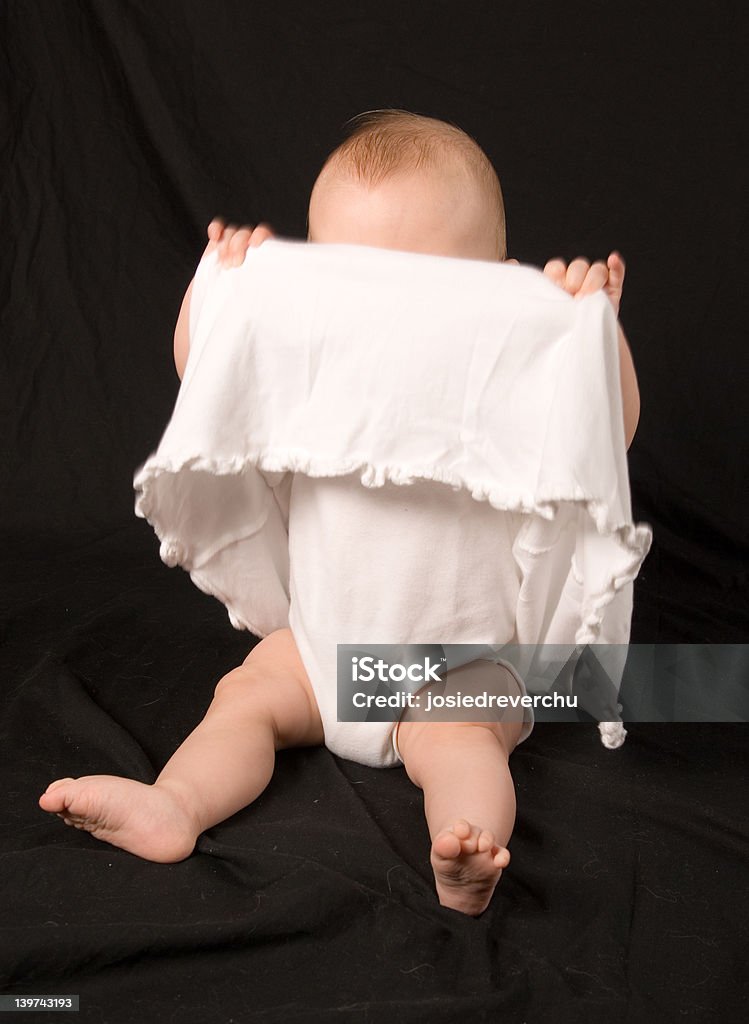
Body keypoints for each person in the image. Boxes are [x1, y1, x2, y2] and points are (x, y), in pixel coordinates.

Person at [39, 110, 640, 916]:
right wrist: (220, 284)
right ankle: (176, 803)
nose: (386, 314)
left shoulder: (507, 368)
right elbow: (207, 371)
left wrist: (589, 330)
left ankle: (467, 849)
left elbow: (609, 427)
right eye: (357, 281)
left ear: (495, 279)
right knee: (245, 697)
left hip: (451, 668)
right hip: (319, 655)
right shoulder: (311, 363)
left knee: (466, 743)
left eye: (421, 283)